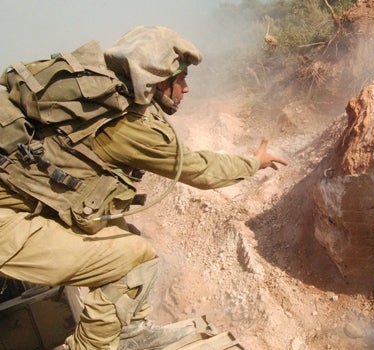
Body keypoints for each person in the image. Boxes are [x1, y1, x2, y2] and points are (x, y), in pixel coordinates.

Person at [0, 26, 287, 349]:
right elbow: (201, 170)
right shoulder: (127, 124)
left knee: (136, 244)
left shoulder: (94, 99)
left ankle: (129, 331)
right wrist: (255, 162)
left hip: (24, 205)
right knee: (131, 259)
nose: (187, 88)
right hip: (9, 221)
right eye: (180, 78)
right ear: (156, 79)